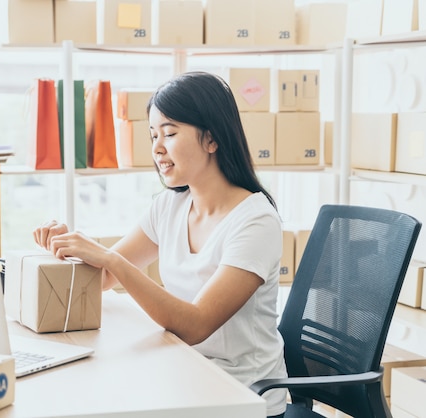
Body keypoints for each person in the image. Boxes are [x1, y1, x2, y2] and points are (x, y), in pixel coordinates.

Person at [33, 71, 287, 418]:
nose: (156, 148)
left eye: (169, 133)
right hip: (184, 373)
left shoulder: (256, 221)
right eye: (153, 135)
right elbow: (104, 277)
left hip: (241, 396)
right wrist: (67, 244)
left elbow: (196, 325)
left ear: (212, 139)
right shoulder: (169, 206)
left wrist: (113, 261)